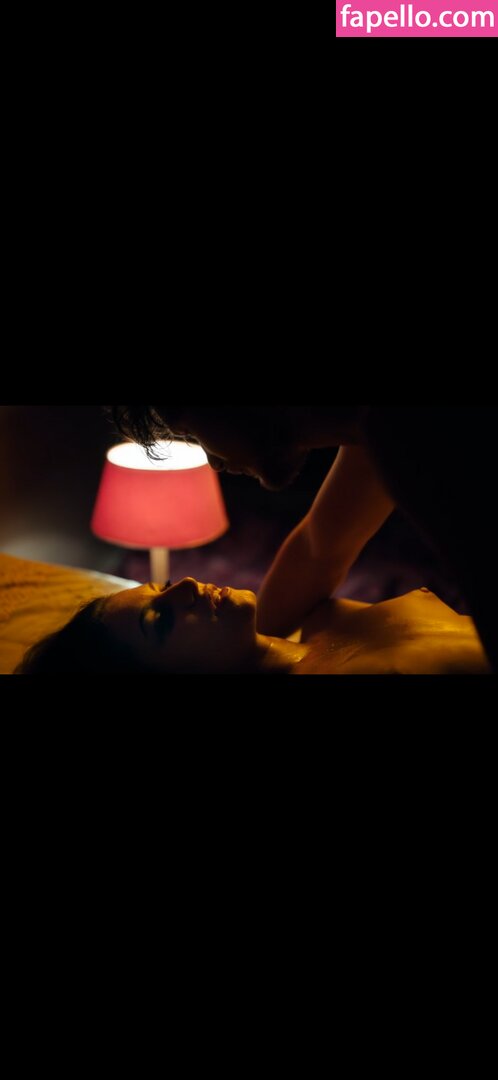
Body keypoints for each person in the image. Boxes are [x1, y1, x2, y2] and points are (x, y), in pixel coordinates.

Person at [108, 406, 498, 671]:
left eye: (190, 430)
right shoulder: (377, 432)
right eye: (158, 617)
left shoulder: (411, 434)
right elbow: (317, 551)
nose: (212, 460)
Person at [16, 577, 491, 675]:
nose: (187, 585)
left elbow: (321, 541)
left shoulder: (314, 617)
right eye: (160, 618)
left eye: (162, 586)